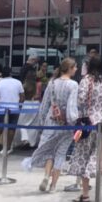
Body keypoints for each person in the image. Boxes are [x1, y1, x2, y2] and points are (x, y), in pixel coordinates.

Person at [25, 57, 79, 192]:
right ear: (70, 69)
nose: (76, 70)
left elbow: (45, 104)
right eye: (75, 67)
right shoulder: (73, 85)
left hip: (51, 121)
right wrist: (74, 121)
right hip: (66, 124)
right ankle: (53, 186)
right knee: (61, 153)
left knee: (49, 151)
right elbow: (72, 107)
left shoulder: (52, 83)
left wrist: (42, 120)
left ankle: (45, 176)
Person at [65, 53, 102, 202]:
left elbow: (81, 100)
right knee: (99, 153)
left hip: (88, 122)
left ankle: (85, 192)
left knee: (84, 155)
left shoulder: (86, 80)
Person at [0, 65, 24, 154]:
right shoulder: (18, 82)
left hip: (2, 109)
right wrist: (19, 106)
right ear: (10, 73)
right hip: (14, 109)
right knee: (11, 128)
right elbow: (22, 96)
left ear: (2, 74)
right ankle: (7, 147)